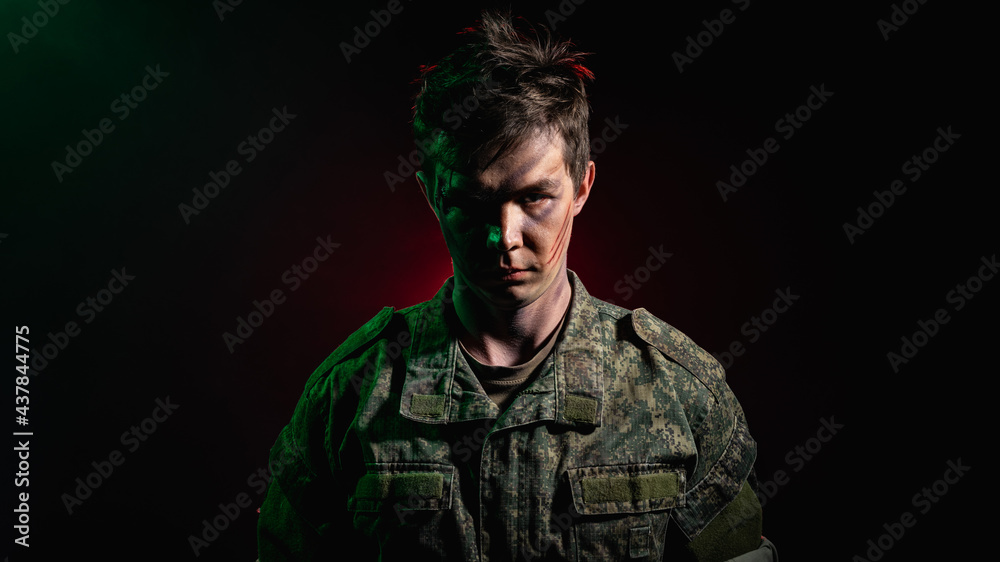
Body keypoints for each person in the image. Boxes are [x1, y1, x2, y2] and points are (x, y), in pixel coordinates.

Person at [258, 12, 776, 561]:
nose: (503, 237)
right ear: (433, 196)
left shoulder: (677, 390)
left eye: (534, 198)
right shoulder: (350, 395)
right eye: (472, 202)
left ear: (581, 187)